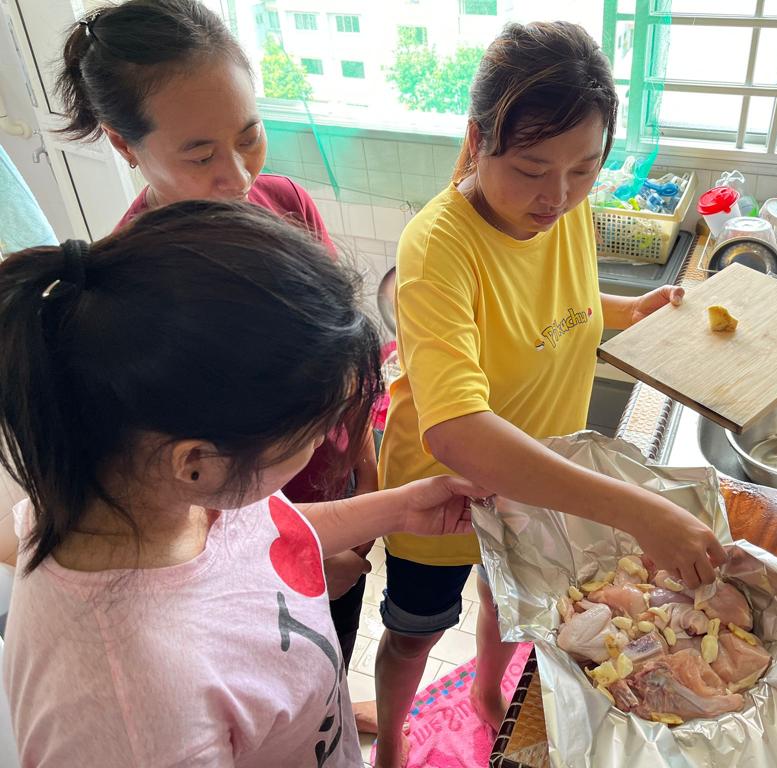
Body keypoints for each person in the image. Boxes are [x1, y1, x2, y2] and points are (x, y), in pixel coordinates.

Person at [0, 200, 488, 767]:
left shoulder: (151, 490)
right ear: (196, 462)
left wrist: (401, 510)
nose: (321, 444)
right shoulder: (134, 713)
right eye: (310, 434)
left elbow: (260, 532)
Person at [373, 21, 727, 767]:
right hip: (438, 493)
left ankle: (485, 694)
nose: (557, 196)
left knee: (512, 605)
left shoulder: (565, 210)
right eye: (532, 168)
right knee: (414, 631)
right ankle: (395, 741)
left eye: (584, 169)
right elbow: (458, 430)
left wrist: (629, 315)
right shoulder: (438, 247)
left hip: (535, 485)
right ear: (476, 141)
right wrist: (640, 510)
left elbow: (562, 310)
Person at [55, 0, 381, 730]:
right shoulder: (136, 297)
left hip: (333, 491)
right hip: (249, 551)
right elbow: (169, 491)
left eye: (250, 135)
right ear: (123, 144)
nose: (237, 175)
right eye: (200, 153)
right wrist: (288, 561)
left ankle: (332, 700)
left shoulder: (285, 202)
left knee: (333, 637)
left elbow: (342, 358)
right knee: (275, 669)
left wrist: (363, 456)